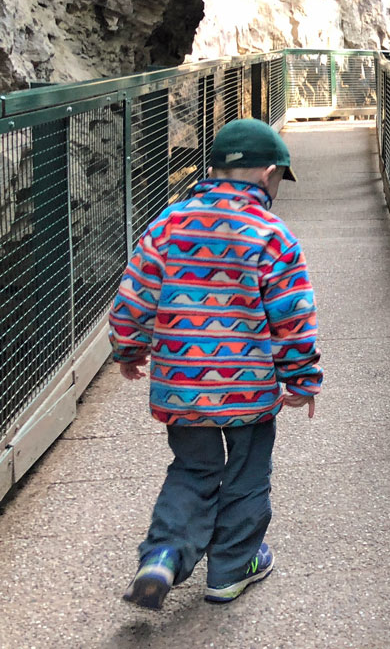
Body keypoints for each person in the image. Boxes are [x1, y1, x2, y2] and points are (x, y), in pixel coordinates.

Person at [109, 118, 321, 610]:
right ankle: (231, 568)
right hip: (249, 392)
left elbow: (132, 299)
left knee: (192, 469)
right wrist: (303, 380)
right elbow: (293, 317)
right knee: (247, 475)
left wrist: (129, 349)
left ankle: (163, 554)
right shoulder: (273, 236)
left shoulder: (167, 224)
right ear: (269, 174)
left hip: (181, 389)